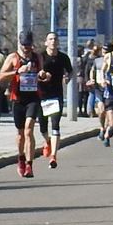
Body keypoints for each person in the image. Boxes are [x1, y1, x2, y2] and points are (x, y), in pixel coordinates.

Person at [0, 30, 47, 178]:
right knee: (20, 135)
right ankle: (20, 158)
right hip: (18, 98)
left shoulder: (37, 57)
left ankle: (29, 165)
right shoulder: (13, 57)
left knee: (28, 130)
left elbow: (42, 74)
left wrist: (43, 75)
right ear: (20, 44)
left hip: (33, 98)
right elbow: (0, 77)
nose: (26, 48)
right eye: (24, 45)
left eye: (29, 45)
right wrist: (17, 71)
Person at [37, 31, 73, 169]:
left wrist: (67, 77)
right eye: (50, 39)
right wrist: (41, 75)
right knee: (42, 127)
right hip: (42, 95)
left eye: (55, 39)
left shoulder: (63, 57)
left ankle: (53, 156)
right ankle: (47, 142)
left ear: (58, 42)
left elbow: (70, 71)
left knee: (55, 124)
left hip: (56, 95)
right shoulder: (40, 57)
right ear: (46, 42)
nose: (53, 41)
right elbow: (34, 72)